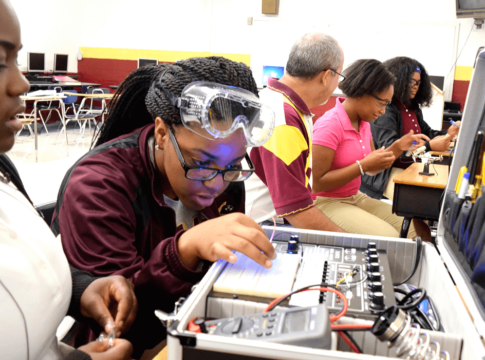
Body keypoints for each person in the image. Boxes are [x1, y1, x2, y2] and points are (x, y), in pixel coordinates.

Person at [50, 57, 277, 355]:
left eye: (232, 165)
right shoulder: (98, 185)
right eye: (201, 164)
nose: (215, 183)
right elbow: (120, 326)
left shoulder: (228, 178)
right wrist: (184, 251)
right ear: (161, 133)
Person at [0, 1, 137, 359]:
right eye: (0, 62)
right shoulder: (100, 181)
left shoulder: (3, 169)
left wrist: (81, 290)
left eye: (17, 60)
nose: (21, 83)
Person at [311, 59, 431, 238]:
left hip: (354, 197)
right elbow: (317, 182)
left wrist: (398, 147)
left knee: (418, 230)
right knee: (389, 237)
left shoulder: (364, 123)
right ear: (362, 92)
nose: (383, 111)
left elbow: (373, 168)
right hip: (326, 202)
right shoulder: (329, 125)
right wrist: (362, 166)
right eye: (382, 103)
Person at [245, 32, 344, 232]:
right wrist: (352, 242)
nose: (338, 84)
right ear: (326, 77)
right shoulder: (283, 120)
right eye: (340, 76)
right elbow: (296, 210)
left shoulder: (276, 101)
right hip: (266, 229)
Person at [361, 56, 461, 200]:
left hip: (409, 167)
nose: (416, 86)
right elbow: (389, 149)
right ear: (397, 79)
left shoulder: (412, 107)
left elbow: (426, 133)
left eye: (419, 82)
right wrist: (429, 146)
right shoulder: (386, 109)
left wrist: (449, 133)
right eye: (412, 81)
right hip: (384, 174)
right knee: (422, 198)